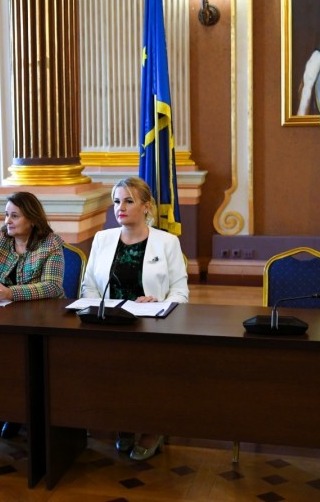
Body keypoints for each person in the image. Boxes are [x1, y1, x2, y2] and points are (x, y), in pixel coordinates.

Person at [81, 176, 189, 461]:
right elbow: (89, 286)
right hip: (110, 324)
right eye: (117, 201)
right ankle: (125, 424)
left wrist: (159, 304)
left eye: (129, 201)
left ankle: (152, 429)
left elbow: (181, 292)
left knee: (146, 371)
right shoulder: (103, 239)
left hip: (152, 327)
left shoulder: (167, 242)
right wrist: (102, 309)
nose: (121, 207)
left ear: (146, 206)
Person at [0, 191, 65, 439]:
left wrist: (11, 292)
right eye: (6, 215)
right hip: (3, 319)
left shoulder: (50, 243)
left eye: (14, 216)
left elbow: (52, 286)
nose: (7, 221)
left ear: (31, 219)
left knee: (23, 356)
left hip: (41, 319)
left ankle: (21, 413)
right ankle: (7, 409)